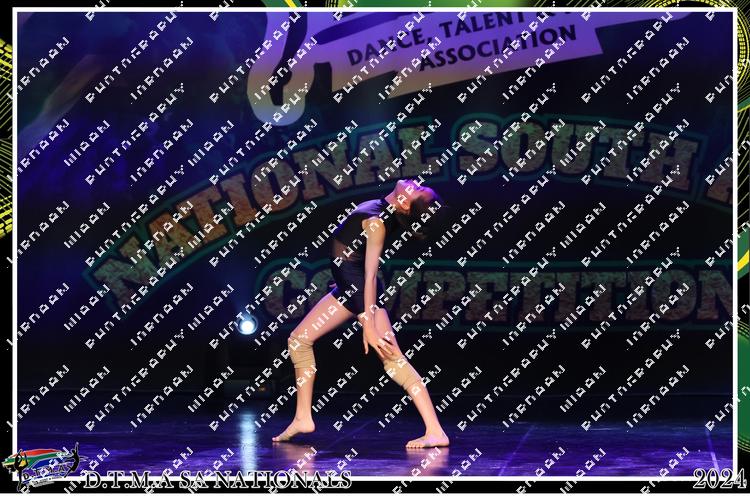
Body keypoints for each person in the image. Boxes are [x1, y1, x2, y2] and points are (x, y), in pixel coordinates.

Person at [273, 178, 450, 448]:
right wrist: (343, 284)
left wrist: (368, 323)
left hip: (358, 291)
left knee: (393, 360)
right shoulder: (383, 210)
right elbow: (351, 256)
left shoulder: (378, 223)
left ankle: (435, 431)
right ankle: (302, 417)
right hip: (348, 288)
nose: (414, 182)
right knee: (299, 340)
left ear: (405, 204)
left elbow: (369, 276)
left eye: (416, 189)